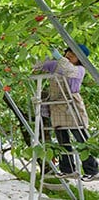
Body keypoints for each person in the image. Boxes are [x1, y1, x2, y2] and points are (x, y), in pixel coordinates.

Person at [35, 44, 99, 182]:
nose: (70, 55)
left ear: (80, 59)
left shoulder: (79, 69)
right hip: (57, 106)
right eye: (69, 51)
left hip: (71, 106)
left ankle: (92, 170)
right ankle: (67, 169)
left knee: (81, 139)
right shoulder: (58, 65)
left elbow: (68, 70)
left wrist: (58, 58)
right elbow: (37, 66)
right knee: (62, 140)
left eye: (74, 54)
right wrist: (43, 53)